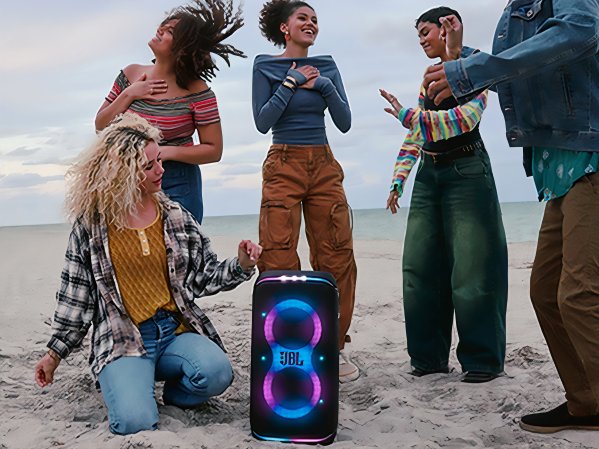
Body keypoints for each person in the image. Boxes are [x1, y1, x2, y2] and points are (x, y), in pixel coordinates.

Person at [424, 0, 599, 433]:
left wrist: (470, 69)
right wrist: (462, 59)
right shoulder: (515, 10)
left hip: (591, 156)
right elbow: (522, 73)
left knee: (579, 295)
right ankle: (587, 404)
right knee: (545, 292)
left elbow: (580, 31)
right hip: (561, 166)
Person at [34, 113, 262, 435]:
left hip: (173, 332)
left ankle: (169, 394)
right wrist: (54, 354)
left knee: (216, 373)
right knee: (133, 421)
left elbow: (204, 276)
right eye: (149, 166)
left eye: (159, 160)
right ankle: (130, 380)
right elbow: (76, 298)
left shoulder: (174, 216)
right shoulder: (92, 225)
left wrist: (241, 264)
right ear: (123, 173)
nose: (161, 170)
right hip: (123, 338)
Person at [382, 7, 508, 384]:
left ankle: (482, 361)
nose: (421, 39)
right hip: (429, 174)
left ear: (446, 27)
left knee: (473, 270)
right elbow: (420, 133)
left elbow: (463, 121)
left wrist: (406, 115)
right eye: (417, 34)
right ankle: (428, 359)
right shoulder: (429, 77)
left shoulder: (475, 65)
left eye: (426, 31)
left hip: (467, 170)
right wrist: (398, 179)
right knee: (419, 269)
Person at [252, 0, 358, 382]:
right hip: (283, 163)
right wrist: (291, 83)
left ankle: (336, 345)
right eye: (303, 18)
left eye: (315, 19)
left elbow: (345, 122)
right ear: (285, 27)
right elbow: (263, 121)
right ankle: (292, 343)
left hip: (324, 164)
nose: (311, 23)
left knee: (337, 255)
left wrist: (325, 86)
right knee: (279, 256)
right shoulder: (266, 65)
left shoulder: (327, 65)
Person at [95, 0, 246, 223]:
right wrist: (130, 94)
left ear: (183, 48)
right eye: (163, 26)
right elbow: (101, 126)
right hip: (127, 179)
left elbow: (214, 150)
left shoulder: (198, 91)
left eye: (170, 32)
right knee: (132, 253)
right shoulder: (131, 74)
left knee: (181, 253)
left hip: (179, 181)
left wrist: (164, 152)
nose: (160, 30)